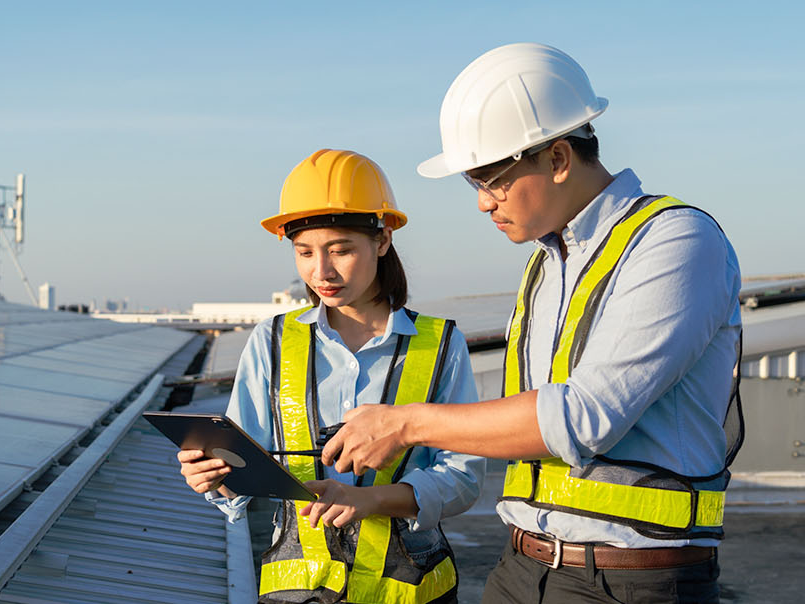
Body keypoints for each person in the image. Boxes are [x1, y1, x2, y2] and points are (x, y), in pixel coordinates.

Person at [321, 43, 743, 603]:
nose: (482, 203)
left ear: (559, 158)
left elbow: (583, 416)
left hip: (633, 578)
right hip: (524, 565)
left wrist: (405, 424)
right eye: (473, 183)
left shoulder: (675, 242)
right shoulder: (546, 265)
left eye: (490, 179)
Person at [179, 148, 485, 604]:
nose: (320, 271)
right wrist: (215, 475)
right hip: (298, 593)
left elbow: (463, 477)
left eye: (340, 250)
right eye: (304, 252)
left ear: (382, 241)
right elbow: (246, 462)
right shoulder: (272, 341)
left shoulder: (439, 345)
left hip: (408, 592)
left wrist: (374, 500)